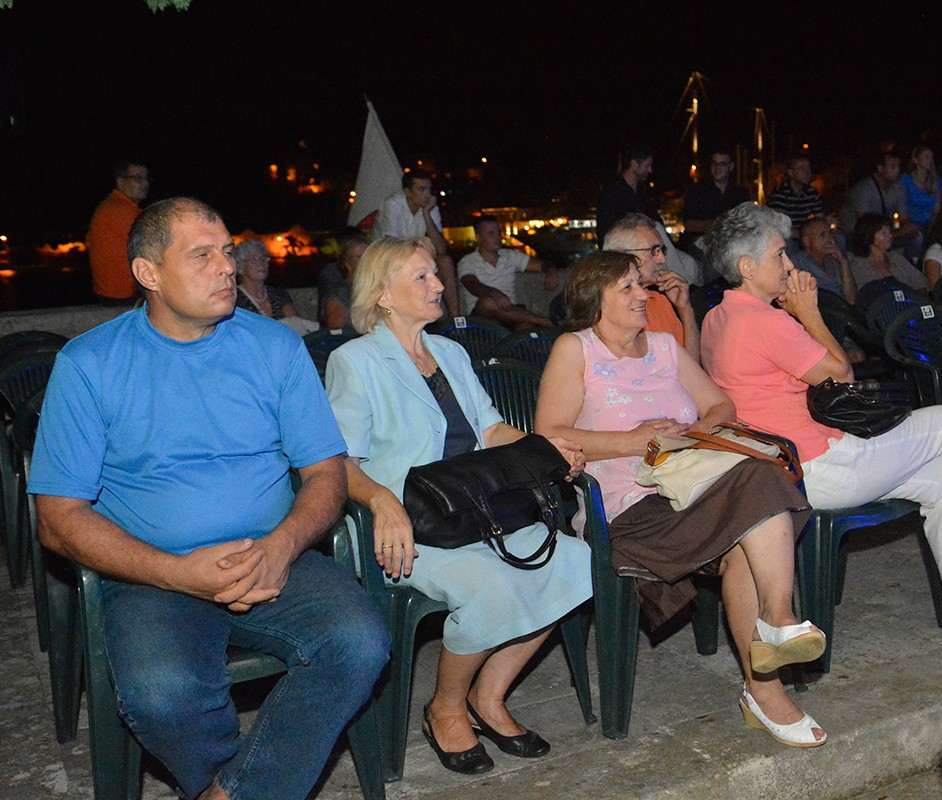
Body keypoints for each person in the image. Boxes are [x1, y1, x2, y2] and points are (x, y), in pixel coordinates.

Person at [30, 197, 389, 800]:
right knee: (165, 693)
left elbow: (326, 471)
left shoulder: (274, 347)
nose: (227, 267)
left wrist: (281, 547)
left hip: (272, 554)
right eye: (202, 255)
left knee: (360, 642)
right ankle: (235, 780)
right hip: (149, 572)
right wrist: (177, 574)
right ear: (148, 273)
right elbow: (58, 519)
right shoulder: (90, 364)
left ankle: (232, 792)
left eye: (226, 251)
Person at [700, 202, 942, 651]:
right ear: (747, 267)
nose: (790, 265)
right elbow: (841, 374)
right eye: (779, 255)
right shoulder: (763, 321)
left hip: (785, 468)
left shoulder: (716, 317)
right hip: (817, 468)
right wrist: (808, 312)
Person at [535, 250, 829, 748]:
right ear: (595, 299)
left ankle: (770, 662)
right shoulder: (576, 349)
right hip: (627, 512)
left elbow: (721, 405)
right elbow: (550, 435)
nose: (642, 295)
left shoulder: (665, 348)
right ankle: (773, 646)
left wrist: (690, 435)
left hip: (690, 491)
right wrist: (636, 441)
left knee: (754, 510)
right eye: (628, 287)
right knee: (758, 499)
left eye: (641, 284)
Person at [324, 236, 592, 775]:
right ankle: (445, 707)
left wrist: (546, 450)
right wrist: (382, 501)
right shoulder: (355, 361)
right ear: (383, 295)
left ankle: (488, 696)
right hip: (413, 523)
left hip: (477, 508)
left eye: (435, 273)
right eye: (421, 277)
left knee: (575, 562)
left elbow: (489, 429)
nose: (439, 285)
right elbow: (339, 461)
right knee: (492, 589)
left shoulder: (449, 352)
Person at [603, 212, 700, 359]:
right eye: (654, 251)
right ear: (623, 256)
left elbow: (691, 367)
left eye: (662, 251)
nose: (662, 259)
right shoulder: (603, 307)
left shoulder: (659, 300)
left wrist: (685, 309)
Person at [377, 171, 460, 316]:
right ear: (408, 192)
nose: (427, 195)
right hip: (388, 257)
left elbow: (441, 249)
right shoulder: (393, 204)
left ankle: (456, 318)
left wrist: (427, 214)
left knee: (445, 262)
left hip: (417, 255)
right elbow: (391, 245)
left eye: (429, 190)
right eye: (422, 189)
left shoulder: (430, 206)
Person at [457, 216, 557, 328]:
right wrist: (495, 293)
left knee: (526, 327)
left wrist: (550, 271)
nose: (497, 237)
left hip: (510, 311)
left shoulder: (510, 256)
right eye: (491, 233)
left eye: (498, 233)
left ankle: (538, 323)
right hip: (483, 316)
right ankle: (546, 322)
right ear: (479, 238)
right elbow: (471, 284)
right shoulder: (467, 261)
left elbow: (541, 264)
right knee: (487, 302)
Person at [86, 159, 149, 305]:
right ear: (120, 181)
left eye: (146, 178)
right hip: (122, 295)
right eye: (138, 178)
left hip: (112, 292)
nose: (145, 184)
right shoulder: (120, 210)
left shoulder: (115, 206)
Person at [681, 149, 751, 254]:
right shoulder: (696, 191)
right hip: (703, 247)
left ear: (731, 167)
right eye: (714, 163)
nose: (717, 168)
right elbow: (688, 224)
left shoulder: (740, 193)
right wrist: (719, 224)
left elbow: (747, 222)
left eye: (722, 164)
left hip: (732, 247)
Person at [848, 213, 929, 296]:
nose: (890, 236)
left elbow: (921, 282)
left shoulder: (895, 257)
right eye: (883, 233)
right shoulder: (859, 265)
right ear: (869, 235)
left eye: (889, 231)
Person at [596, 144, 660, 245]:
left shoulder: (643, 192)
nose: (650, 170)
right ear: (634, 164)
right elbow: (605, 231)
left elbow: (655, 221)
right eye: (647, 165)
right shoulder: (612, 193)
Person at [786, 217, 857, 305]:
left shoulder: (834, 260)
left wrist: (844, 263)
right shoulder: (796, 265)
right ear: (807, 241)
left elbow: (851, 300)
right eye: (822, 235)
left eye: (830, 234)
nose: (830, 240)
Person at [232, 239, 299, 319]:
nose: (261, 263)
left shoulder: (278, 294)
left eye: (263, 258)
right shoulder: (234, 299)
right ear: (240, 266)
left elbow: (295, 323)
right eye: (254, 259)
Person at [318, 229, 368, 329]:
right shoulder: (340, 292)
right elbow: (337, 328)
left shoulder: (379, 287)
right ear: (347, 262)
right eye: (359, 257)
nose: (366, 260)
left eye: (369, 256)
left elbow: (389, 313)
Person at [768, 154, 826, 230]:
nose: (807, 172)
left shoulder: (812, 193)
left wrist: (826, 221)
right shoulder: (780, 194)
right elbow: (778, 226)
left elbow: (819, 218)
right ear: (791, 173)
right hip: (785, 233)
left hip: (802, 233)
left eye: (808, 168)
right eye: (802, 168)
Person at [899, 146, 942, 231]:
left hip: (929, 225)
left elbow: (936, 209)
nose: (930, 160)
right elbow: (901, 207)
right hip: (909, 225)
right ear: (915, 160)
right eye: (926, 156)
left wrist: (932, 226)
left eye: (931, 157)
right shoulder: (905, 180)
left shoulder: (936, 182)